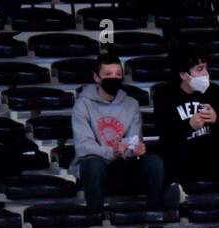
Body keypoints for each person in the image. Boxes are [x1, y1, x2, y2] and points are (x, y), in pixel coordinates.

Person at [152, 45, 219, 207]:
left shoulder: (214, 91)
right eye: (199, 69)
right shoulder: (164, 95)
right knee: (169, 145)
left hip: (209, 159)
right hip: (181, 160)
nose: (205, 75)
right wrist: (188, 125)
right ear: (183, 74)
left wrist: (217, 119)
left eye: (206, 69)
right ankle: (175, 191)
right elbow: (164, 131)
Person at [71, 53, 167, 213]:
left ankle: (155, 217)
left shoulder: (131, 104)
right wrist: (112, 152)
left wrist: (135, 149)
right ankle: (96, 219)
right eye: (108, 74)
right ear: (96, 77)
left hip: (123, 162)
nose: (114, 78)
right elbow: (84, 147)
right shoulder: (82, 104)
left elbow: (134, 139)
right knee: (93, 164)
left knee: (154, 162)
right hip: (95, 164)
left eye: (117, 74)